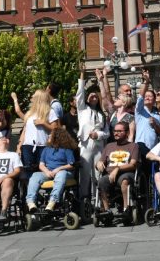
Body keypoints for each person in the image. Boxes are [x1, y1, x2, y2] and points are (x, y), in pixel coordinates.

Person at [77, 69, 110, 205]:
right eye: (91, 96)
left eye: (95, 96)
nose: (93, 98)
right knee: (85, 175)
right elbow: (79, 95)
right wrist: (82, 76)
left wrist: (99, 134)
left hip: (98, 145)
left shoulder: (102, 115)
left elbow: (107, 132)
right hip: (85, 144)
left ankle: (98, 200)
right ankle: (85, 200)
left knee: (98, 173)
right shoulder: (83, 109)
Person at [25, 128, 77, 212]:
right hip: (48, 172)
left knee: (61, 174)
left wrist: (59, 169)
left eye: (51, 134)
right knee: (35, 176)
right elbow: (41, 165)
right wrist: (47, 171)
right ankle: (31, 202)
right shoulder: (46, 149)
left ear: (57, 137)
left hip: (64, 173)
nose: (48, 135)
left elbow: (71, 165)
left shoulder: (67, 149)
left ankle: (52, 201)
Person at [95, 122, 140, 214]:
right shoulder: (109, 146)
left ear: (127, 133)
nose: (116, 133)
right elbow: (101, 161)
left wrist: (118, 169)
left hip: (126, 173)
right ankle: (106, 210)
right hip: (109, 174)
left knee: (124, 181)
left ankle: (126, 209)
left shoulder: (133, 146)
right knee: (101, 181)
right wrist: (98, 163)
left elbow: (133, 164)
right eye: (115, 131)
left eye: (119, 131)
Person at [13, 90, 60, 176]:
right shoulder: (29, 113)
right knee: (28, 172)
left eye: (34, 95)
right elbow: (25, 131)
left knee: (43, 171)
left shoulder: (50, 112)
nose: (32, 96)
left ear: (39, 98)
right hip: (28, 146)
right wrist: (19, 146)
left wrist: (43, 123)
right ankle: (29, 189)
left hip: (43, 146)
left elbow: (56, 128)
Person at [135, 70, 160, 155]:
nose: (147, 98)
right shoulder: (139, 110)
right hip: (140, 146)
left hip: (153, 148)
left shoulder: (157, 114)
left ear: (154, 100)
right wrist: (146, 82)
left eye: (150, 96)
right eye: (146, 96)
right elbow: (140, 97)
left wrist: (155, 124)